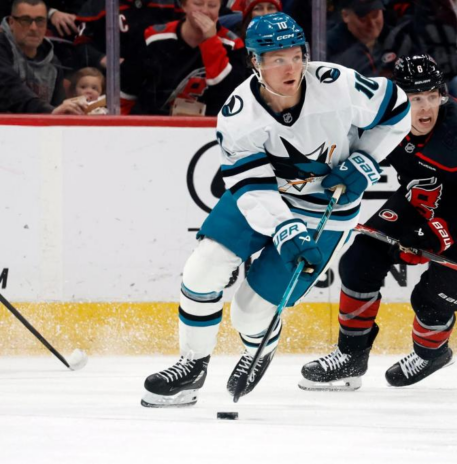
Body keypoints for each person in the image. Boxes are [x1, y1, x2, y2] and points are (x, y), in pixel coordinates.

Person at [141, 12, 410, 407]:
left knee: (250, 312)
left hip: (325, 210)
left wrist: (367, 158)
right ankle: (192, 365)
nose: (291, 68)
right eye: (277, 59)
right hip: (264, 196)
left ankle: (258, 349)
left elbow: (397, 109)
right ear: (255, 61)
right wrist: (284, 226)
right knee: (203, 269)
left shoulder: (337, 85)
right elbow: (251, 185)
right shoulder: (239, 113)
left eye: (296, 56)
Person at [299, 55, 457, 391]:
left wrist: (435, 234)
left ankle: (432, 354)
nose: (426, 108)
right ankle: (351, 356)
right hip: (425, 199)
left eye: (432, 96)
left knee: (431, 301)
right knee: (361, 258)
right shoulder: (385, 116)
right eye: (416, 98)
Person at [119, 0, 247, 116]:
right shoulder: (153, 38)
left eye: (212, 5)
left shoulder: (233, 45)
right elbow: (126, 93)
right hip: (153, 124)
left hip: (210, 127)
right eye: (198, 4)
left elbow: (230, 97)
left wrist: (211, 42)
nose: (205, 11)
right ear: (184, 6)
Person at [0, 0, 86, 114]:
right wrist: (50, 111)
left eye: (40, 21)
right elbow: (8, 89)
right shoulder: (2, 47)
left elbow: (58, 107)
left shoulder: (53, 63)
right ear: (11, 22)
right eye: (25, 20)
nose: (33, 28)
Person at [327, 0, 392, 77]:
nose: (371, 23)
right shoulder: (328, 49)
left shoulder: (395, 39)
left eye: (375, 15)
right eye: (363, 18)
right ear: (345, 16)